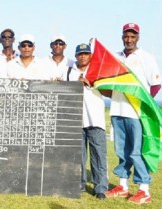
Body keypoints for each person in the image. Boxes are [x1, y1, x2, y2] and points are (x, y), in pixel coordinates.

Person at [104, 23, 161, 204]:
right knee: (121, 150)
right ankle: (123, 186)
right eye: (126, 36)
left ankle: (144, 190)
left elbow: (156, 84)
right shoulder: (115, 57)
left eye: (132, 36)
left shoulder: (146, 58)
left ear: (138, 37)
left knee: (137, 152)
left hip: (136, 114)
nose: (129, 39)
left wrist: (144, 106)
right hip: (117, 110)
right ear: (122, 37)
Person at [67, 43, 108, 200]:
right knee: (78, 155)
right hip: (77, 119)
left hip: (95, 119)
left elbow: (109, 92)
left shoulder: (98, 70)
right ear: (76, 56)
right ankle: (79, 184)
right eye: (80, 54)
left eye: (86, 53)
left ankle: (100, 188)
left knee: (98, 155)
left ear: (91, 55)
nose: (82, 56)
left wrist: (91, 84)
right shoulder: (70, 71)